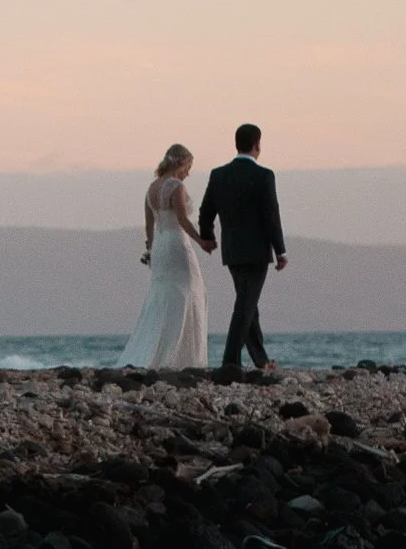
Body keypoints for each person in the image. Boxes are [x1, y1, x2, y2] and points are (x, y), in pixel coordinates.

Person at [198, 123, 288, 377]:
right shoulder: (264, 176)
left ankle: (261, 360)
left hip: (232, 251)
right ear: (256, 145)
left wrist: (208, 237)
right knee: (245, 305)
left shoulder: (219, 175)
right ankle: (230, 362)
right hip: (257, 251)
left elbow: (206, 212)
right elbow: (271, 215)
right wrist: (280, 250)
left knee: (248, 302)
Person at [118, 144, 213, 369]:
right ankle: (183, 357)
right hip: (177, 245)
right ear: (180, 164)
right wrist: (200, 241)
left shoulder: (152, 188)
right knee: (189, 293)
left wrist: (151, 250)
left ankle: (156, 351)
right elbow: (182, 219)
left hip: (160, 246)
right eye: (188, 166)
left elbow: (149, 226)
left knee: (162, 296)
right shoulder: (175, 186)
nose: (189, 172)